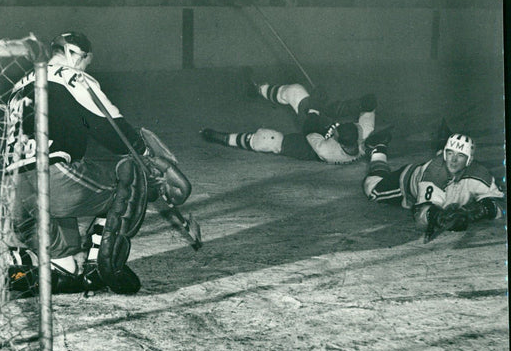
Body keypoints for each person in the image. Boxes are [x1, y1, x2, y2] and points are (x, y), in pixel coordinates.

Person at [0, 31, 190, 302]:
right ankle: (101, 264)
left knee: (65, 270)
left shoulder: (20, 85)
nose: (86, 66)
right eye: (86, 60)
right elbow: (111, 127)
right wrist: (146, 157)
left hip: (13, 192)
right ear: (75, 53)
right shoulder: (73, 77)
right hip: (52, 178)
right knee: (132, 175)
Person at [362, 122, 504, 242]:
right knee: (372, 189)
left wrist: (480, 210)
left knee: (447, 167)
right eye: (449, 153)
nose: (453, 160)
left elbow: (498, 204)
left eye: (460, 155)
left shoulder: (479, 173)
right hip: (407, 181)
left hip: (438, 177)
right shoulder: (434, 174)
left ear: (470, 160)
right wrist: (438, 217)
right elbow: (421, 213)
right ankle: (378, 149)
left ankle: (444, 139)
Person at [200, 69, 377, 164]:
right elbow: (368, 111)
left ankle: (226, 138)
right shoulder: (363, 134)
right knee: (295, 90)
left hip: (310, 146)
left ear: (337, 139)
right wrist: (364, 104)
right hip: (321, 124)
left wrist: (315, 105)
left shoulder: (327, 151)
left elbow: (310, 128)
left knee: (269, 139)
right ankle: (258, 89)